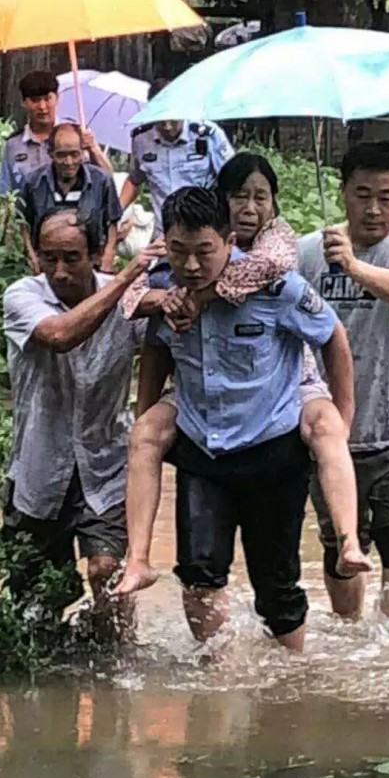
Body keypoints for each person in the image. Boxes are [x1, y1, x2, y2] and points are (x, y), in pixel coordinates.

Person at [115, 153, 370, 599]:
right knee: (145, 434)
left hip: (286, 385)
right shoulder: (171, 257)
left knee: (327, 429)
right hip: (201, 398)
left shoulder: (276, 249)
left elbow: (277, 286)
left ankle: (348, 540)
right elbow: (134, 306)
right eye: (239, 196)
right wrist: (164, 299)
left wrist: (198, 296)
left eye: (260, 197)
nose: (250, 206)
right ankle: (137, 559)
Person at [297, 141, 389, 620]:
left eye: (387, 196)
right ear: (342, 193)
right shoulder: (308, 253)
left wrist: (355, 268)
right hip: (332, 435)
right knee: (342, 547)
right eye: (362, 194)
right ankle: (349, 638)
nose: (374, 208)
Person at [1, 208, 162, 642]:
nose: (59, 271)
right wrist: (127, 281)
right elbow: (59, 335)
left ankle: (116, 658)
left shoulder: (133, 297)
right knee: (36, 607)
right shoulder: (22, 296)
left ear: (94, 254)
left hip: (106, 464)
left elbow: (168, 346)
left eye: (71, 258)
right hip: (38, 469)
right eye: (49, 258)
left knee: (106, 570)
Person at [118, 78, 234, 239]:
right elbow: (134, 180)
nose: (167, 126)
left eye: (172, 117)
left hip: (204, 229)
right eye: (160, 118)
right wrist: (116, 212)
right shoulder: (141, 140)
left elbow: (233, 181)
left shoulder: (207, 135)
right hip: (164, 233)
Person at [18, 123, 122, 274]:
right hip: (47, 266)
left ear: (82, 153)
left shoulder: (101, 180)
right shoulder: (33, 182)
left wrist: (107, 256)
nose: (69, 162)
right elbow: (23, 223)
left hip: (91, 265)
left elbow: (112, 220)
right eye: (61, 155)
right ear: (51, 153)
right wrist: (32, 256)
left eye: (74, 154)